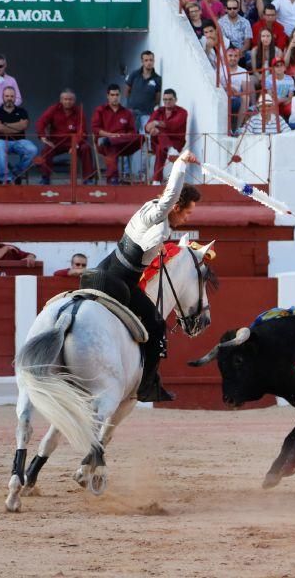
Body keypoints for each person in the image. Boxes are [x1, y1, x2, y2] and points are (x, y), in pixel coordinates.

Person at [93, 148, 200, 402]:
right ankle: (147, 386)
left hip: (102, 269)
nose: (187, 218)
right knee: (157, 324)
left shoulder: (147, 208)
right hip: (122, 283)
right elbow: (171, 193)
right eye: (187, 213)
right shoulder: (159, 215)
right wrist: (181, 163)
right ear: (175, 207)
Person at [35, 89, 94, 185]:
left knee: (86, 148)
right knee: (46, 150)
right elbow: (41, 122)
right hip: (56, 142)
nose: (68, 101)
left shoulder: (79, 111)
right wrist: (43, 137)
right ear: (61, 100)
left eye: (70, 99)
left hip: (74, 142)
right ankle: (45, 178)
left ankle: (88, 178)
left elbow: (82, 131)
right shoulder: (53, 109)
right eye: (65, 99)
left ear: (74, 101)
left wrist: (76, 144)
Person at [91, 83, 143, 185]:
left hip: (123, 144)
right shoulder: (100, 110)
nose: (115, 97)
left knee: (141, 137)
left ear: (120, 96)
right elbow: (95, 129)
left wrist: (118, 138)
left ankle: (112, 141)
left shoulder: (127, 112)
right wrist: (109, 135)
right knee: (111, 146)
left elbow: (132, 131)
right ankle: (112, 181)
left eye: (117, 95)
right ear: (107, 96)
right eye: (112, 95)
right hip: (104, 142)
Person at [125, 51, 162, 177]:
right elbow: (127, 91)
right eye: (146, 60)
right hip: (132, 114)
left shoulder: (157, 79)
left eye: (151, 60)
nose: (149, 62)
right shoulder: (134, 75)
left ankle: (141, 172)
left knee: (145, 142)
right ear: (142, 61)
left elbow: (157, 98)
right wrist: (130, 106)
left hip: (147, 115)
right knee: (128, 141)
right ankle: (126, 172)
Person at [0, 86, 37, 184]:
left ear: (15, 98)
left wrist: (5, 125)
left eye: (12, 96)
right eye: (7, 96)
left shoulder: (22, 111)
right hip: (1, 141)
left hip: (19, 141)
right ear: (3, 97)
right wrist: (16, 127)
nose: (9, 98)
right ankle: (5, 178)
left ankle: (15, 173)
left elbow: (24, 126)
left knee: (33, 150)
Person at [145, 89, 189, 184]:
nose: (167, 102)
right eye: (165, 100)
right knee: (160, 144)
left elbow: (173, 125)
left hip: (176, 143)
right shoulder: (159, 111)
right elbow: (147, 127)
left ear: (175, 100)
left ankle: (156, 180)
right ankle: (169, 148)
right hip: (159, 143)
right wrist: (152, 129)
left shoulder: (182, 112)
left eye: (170, 99)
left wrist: (156, 124)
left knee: (161, 148)